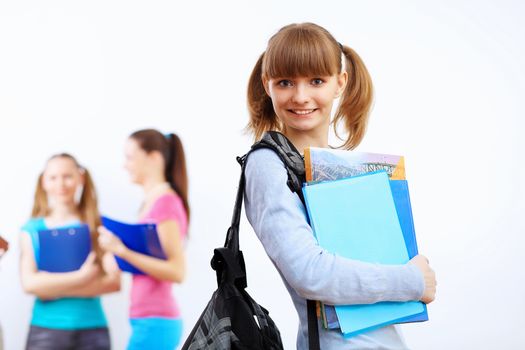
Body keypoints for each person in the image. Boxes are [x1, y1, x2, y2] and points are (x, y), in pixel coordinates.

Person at [244, 22, 437, 349]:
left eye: (316, 80)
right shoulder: (267, 164)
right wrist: (412, 281)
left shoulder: (334, 166)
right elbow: (309, 272)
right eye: (285, 82)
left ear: (340, 83)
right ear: (267, 84)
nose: (301, 96)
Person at [98, 129, 189, 350]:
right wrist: (117, 259)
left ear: (154, 158)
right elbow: (151, 262)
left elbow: (177, 271)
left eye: (130, 157)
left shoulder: (165, 203)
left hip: (156, 321)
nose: (125, 165)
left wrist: (122, 252)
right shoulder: (151, 202)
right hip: (147, 319)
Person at [19, 153, 121, 350]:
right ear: (44, 182)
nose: (61, 184)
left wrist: (50, 287)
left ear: (80, 178)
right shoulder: (31, 229)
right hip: (45, 331)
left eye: (67, 176)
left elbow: (113, 282)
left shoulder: (98, 225)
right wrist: (82, 277)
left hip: (92, 330)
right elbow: (30, 284)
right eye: (53, 177)